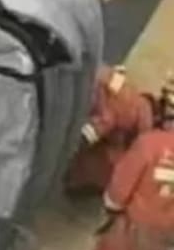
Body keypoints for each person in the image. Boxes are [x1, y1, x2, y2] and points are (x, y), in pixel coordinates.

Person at [72, 74, 174, 250]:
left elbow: (121, 185)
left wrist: (112, 208)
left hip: (134, 225)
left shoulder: (149, 144)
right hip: (169, 234)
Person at [65, 65, 154, 195]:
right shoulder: (122, 112)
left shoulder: (120, 85)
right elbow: (99, 126)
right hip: (112, 127)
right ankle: (76, 181)